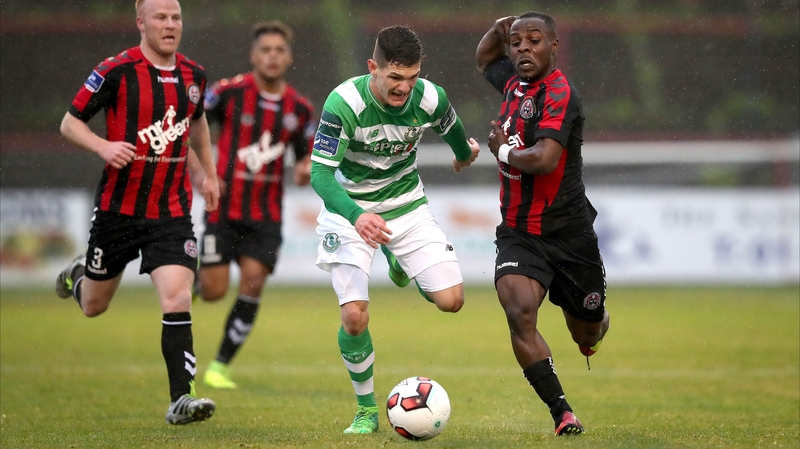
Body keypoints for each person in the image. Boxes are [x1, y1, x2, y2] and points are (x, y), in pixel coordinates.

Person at [54, 0, 220, 425]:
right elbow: (70, 123)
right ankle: (79, 276)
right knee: (94, 305)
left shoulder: (194, 76)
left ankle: (181, 399)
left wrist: (208, 175)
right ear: (140, 23)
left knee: (178, 295)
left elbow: (197, 122)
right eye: (161, 18)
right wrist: (103, 146)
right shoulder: (116, 71)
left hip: (171, 211)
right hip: (118, 211)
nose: (170, 25)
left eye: (176, 17)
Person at [309, 25, 480, 434]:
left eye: (413, 77)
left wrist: (463, 154)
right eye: (395, 77)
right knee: (354, 316)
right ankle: (366, 410)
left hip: (405, 205)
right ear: (373, 67)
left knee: (451, 301)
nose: (405, 87)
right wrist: (357, 216)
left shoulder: (430, 96)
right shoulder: (344, 103)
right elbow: (320, 174)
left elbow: (452, 128)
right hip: (350, 208)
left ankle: (400, 261)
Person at [475, 12, 610, 436]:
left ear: (554, 46)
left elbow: (545, 159)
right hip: (519, 232)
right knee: (518, 311)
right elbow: (483, 59)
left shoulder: (560, 93)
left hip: (569, 235)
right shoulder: (513, 83)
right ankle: (562, 411)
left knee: (585, 328)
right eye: (516, 43)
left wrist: (502, 151)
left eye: (534, 41)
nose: (522, 50)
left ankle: (595, 324)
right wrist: (501, 26)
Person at [192, 21, 316, 390]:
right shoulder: (227, 94)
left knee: (253, 282)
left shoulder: (300, 109)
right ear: (253, 55)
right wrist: (202, 175)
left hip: (266, 215)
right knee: (213, 290)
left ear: (289, 57)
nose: (272, 57)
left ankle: (219, 367)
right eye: (266, 50)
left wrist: (306, 167)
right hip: (223, 208)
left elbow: (306, 154)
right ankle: (188, 293)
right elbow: (190, 128)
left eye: (279, 50)